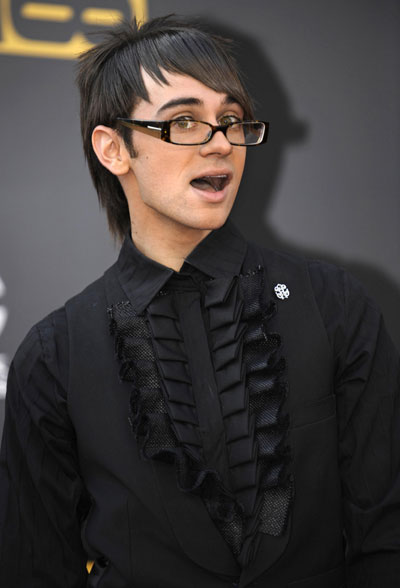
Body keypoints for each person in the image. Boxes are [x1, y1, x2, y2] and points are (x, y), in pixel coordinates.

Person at [0, 15, 399, 588]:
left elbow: (386, 535)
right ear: (114, 149)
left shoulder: (335, 306)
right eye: (184, 121)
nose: (219, 144)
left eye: (230, 120)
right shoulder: (54, 355)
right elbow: (34, 567)